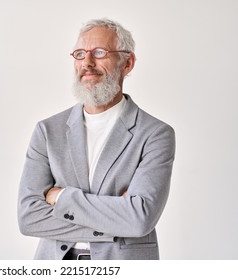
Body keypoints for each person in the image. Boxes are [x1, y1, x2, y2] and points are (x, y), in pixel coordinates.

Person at [17, 18, 175, 260]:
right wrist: (115, 218)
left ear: (127, 63)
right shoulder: (48, 131)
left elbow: (139, 219)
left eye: (99, 52)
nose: (87, 63)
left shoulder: (155, 134)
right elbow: (28, 218)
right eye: (80, 54)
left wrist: (60, 197)